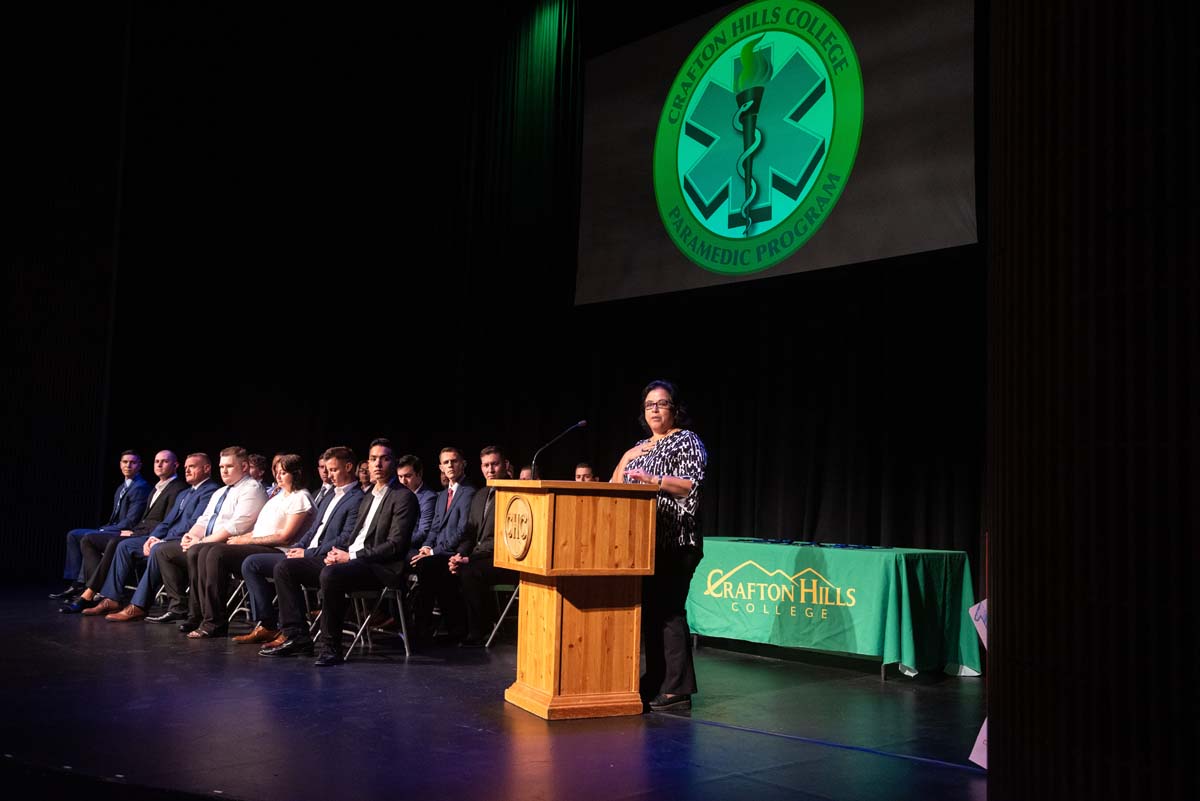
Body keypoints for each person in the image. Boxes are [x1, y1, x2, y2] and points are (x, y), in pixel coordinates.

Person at [261, 438, 418, 666]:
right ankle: (297, 636)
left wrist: (351, 556)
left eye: (384, 459)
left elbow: (395, 545)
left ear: (393, 462)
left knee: (331, 574)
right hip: (351, 560)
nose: (377, 464)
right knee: (285, 568)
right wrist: (338, 553)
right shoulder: (368, 496)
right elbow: (354, 537)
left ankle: (331, 647)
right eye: (373, 459)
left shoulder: (404, 497)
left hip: (381, 568)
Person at [611, 380, 707, 712]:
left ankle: (678, 689)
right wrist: (626, 457)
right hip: (642, 545)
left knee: (668, 612)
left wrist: (653, 481)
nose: (654, 409)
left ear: (675, 409)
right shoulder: (639, 448)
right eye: (649, 404)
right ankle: (655, 680)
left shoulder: (686, 441)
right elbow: (612, 487)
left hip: (677, 541)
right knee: (651, 615)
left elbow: (690, 486)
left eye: (661, 403)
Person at [233, 446, 363, 645]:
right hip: (307, 552)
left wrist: (308, 552)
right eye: (328, 470)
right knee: (252, 564)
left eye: (334, 470)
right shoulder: (329, 495)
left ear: (348, 467)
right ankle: (269, 625)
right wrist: (300, 547)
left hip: (326, 557)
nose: (329, 475)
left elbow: (345, 537)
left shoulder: (357, 498)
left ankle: (294, 633)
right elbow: (313, 530)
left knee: (283, 567)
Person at [185, 453, 314, 638]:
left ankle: (216, 622)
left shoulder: (301, 497)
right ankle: (204, 616)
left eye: (283, 473)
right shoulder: (277, 498)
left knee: (216, 553)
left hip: (279, 550)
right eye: (276, 472)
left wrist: (246, 540)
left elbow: (285, 537)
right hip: (261, 544)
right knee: (204, 549)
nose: (278, 476)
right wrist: (241, 538)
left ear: (297, 474)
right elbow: (260, 530)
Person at [153, 446, 267, 633]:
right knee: (165, 550)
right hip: (208, 542)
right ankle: (190, 612)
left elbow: (236, 526)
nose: (224, 471)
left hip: (235, 546)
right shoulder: (220, 492)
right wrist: (191, 536)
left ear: (244, 466)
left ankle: (214, 621)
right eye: (222, 467)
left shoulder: (252, 489)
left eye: (229, 466)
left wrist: (201, 542)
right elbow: (204, 519)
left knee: (203, 551)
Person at [98, 454, 221, 622]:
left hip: (183, 541)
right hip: (166, 538)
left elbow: (194, 524)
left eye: (192, 466)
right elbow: (167, 521)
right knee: (125, 546)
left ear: (206, 468)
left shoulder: (210, 490)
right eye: (186, 467)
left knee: (158, 550)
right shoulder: (185, 493)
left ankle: (139, 606)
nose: (187, 470)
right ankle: (112, 598)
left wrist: (163, 540)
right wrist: (153, 536)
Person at [63, 450, 186, 613]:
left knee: (116, 542)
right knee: (89, 539)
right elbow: (145, 520)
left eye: (164, 461)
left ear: (175, 465)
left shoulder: (177, 488)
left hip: (150, 537)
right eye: (157, 461)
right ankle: (92, 588)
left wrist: (134, 533)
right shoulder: (156, 488)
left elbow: (166, 522)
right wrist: (132, 531)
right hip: (137, 531)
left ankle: (91, 593)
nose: (159, 465)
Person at [52, 451, 151, 599]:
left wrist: (104, 529)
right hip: (113, 528)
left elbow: (131, 521)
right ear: (120, 464)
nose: (128, 465)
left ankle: (88, 586)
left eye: (132, 462)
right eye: (125, 462)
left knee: (90, 536)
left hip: (126, 532)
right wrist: (105, 528)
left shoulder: (140, 487)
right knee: (73, 534)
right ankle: (77, 582)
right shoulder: (121, 487)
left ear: (139, 466)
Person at [447, 446, 516, 647]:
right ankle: (457, 629)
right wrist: (459, 554)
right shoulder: (480, 495)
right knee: (449, 567)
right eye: (486, 465)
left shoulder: (517, 494)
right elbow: (470, 533)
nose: (490, 470)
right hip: (479, 556)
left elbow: (509, 538)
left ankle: (480, 631)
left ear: (505, 465)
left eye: (494, 464)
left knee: (470, 572)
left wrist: (470, 558)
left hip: (505, 559)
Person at [408, 446, 476, 638]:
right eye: (446, 462)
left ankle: (424, 626)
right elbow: (434, 528)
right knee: (415, 559)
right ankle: (418, 623)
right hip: (438, 550)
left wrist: (434, 551)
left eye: (454, 461)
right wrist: (426, 546)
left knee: (427, 565)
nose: (450, 465)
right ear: (440, 467)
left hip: (455, 551)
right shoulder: (442, 494)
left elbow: (463, 529)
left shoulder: (468, 492)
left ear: (463, 464)